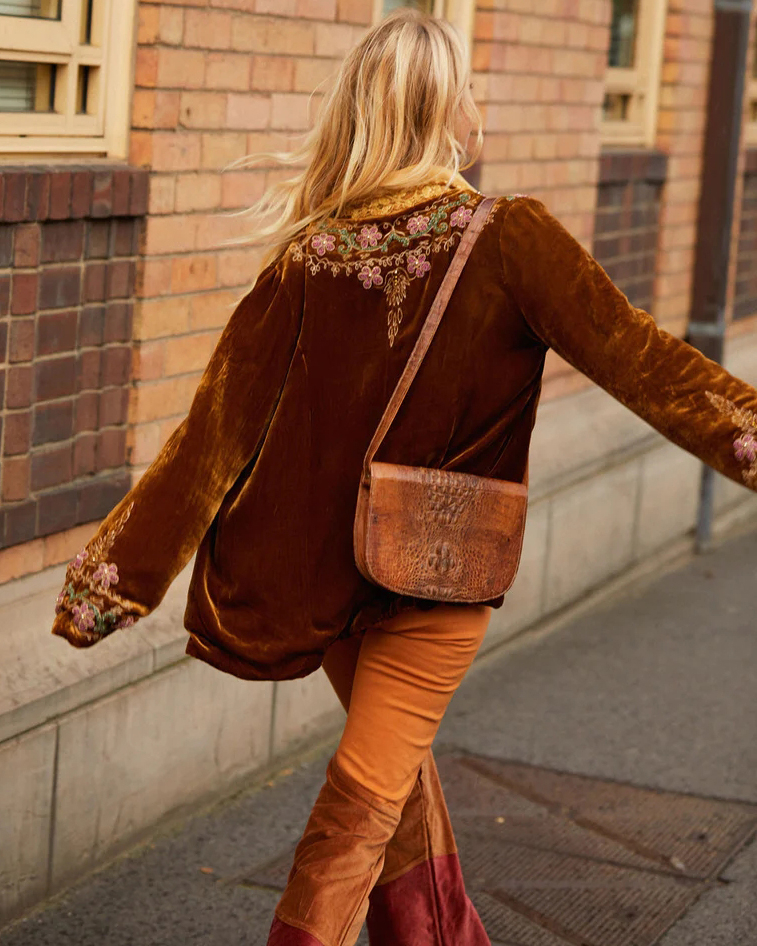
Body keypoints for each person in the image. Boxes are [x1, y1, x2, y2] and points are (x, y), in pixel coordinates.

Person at [51, 8, 757, 946]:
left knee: (391, 777)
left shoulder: (308, 256)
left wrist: (112, 583)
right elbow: (639, 358)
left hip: (327, 579)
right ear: (441, 109)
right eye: (465, 84)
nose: (477, 101)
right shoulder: (509, 236)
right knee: (364, 803)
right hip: (436, 571)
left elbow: (208, 438)